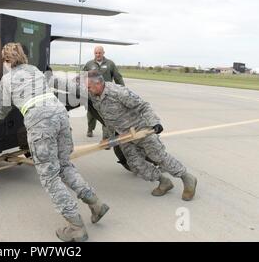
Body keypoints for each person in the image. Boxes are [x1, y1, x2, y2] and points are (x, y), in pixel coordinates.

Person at [0, 43, 109, 242]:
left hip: (40, 123)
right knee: (64, 166)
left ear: (6, 61)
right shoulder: (36, 71)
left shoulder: (8, 78)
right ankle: (96, 204)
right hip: (60, 115)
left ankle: (76, 227)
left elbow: (1, 110)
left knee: (50, 177)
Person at [85, 71, 198, 201]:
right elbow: (108, 119)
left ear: (98, 83)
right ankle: (163, 181)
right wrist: (109, 137)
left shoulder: (119, 92)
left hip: (141, 130)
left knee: (158, 156)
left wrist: (154, 122)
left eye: (89, 87)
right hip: (124, 136)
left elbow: (143, 106)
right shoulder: (94, 95)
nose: (88, 90)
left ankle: (187, 178)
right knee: (135, 164)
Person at [83, 46, 125, 139]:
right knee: (91, 115)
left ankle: (106, 138)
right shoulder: (89, 64)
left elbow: (117, 77)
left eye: (99, 53)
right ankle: (90, 129)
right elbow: (83, 77)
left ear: (103, 53)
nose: (98, 55)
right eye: (96, 53)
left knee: (106, 116)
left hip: (106, 94)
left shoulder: (110, 64)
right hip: (92, 94)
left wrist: (122, 89)